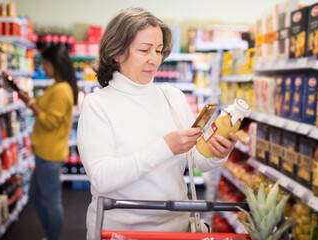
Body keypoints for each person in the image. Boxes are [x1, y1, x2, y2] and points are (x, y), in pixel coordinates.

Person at [77, 7, 237, 239]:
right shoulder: (97, 105)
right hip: (120, 232)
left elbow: (197, 161)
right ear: (117, 53)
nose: (154, 59)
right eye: (144, 50)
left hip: (178, 228)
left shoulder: (172, 97)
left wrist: (217, 152)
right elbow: (102, 178)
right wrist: (165, 146)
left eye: (159, 50)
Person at [17, 45, 78, 240]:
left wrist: (33, 105)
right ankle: (51, 234)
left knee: (51, 202)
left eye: (45, 63)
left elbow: (50, 122)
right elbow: (46, 111)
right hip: (46, 153)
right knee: (37, 196)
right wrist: (30, 101)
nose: (43, 67)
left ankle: (53, 237)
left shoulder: (61, 90)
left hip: (50, 155)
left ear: (55, 64)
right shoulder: (58, 86)